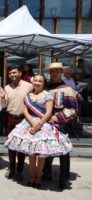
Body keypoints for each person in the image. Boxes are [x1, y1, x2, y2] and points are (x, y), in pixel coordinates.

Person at [5, 75, 73, 188]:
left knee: (41, 154)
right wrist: (32, 123)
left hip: (43, 124)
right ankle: (32, 176)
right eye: (35, 80)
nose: (37, 83)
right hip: (29, 123)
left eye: (40, 81)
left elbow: (48, 112)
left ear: (43, 83)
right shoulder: (28, 96)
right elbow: (25, 111)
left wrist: (38, 125)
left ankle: (38, 177)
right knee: (31, 153)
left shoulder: (48, 95)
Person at [42, 62, 80, 190]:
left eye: (57, 71)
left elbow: (74, 110)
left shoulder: (68, 89)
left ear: (61, 72)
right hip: (46, 125)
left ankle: (63, 177)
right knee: (47, 149)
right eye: (52, 71)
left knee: (64, 152)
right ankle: (47, 173)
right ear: (49, 73)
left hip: (62, 124)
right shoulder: (45, 88)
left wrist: (58, 117)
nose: (55, 73)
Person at [0, 65, 33, 180]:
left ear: (20, 73)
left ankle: (20, 170)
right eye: (10, 73)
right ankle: (12, 169)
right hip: (9, 118)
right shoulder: (6, 88)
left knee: (21, 146)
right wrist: (2, 98)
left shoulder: (29, 86)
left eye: (14, 72)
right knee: (11, 145)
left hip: (23, 119)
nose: (12, 75)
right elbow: (3, 106)